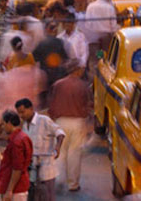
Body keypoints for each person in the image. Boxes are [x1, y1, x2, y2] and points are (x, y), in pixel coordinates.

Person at [48, 61, 90, 192]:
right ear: (77, 70)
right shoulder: (83, 86)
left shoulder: (58, 85)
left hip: (60, 121)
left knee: (60, 152)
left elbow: (52, 105)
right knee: (75, 153)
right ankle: (73, 184)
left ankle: (59, 180)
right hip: (78, 122)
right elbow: (88, 106)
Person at [16, 98, 65, 200]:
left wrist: (58, 148)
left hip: (46, 167)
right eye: (19, 113)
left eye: (23, 112)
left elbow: (60, 133)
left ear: (31, 109)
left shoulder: (44, 120)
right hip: (31, 167)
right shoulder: (24, 125)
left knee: (47, 196)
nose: (21, 115)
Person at [0, 110, 33, 201]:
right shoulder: (22, 137)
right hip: (18, 185)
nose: (2, 127)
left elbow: (17, 168)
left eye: (3, 124)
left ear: (9, 123)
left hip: (16, 189)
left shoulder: (16, 141)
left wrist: (9, 190)